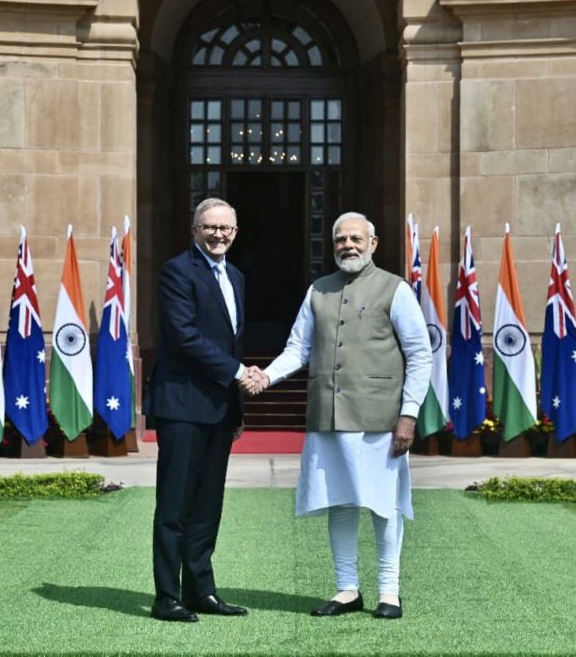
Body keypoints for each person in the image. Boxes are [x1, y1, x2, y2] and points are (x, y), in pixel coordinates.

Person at [246, 212, 432, 620]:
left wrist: (409, 416)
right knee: (339, 503)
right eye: (340, 240)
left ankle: (389, 591)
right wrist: (266, 377)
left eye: (355, 238)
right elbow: (298, 348)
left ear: (373, 243)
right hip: (328, 417)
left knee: (384, 506)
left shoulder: (395, 289)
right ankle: (347, 588)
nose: (348, 245)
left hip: (380, 419)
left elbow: (421, 355)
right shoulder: (318, 291)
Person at [143, 197, 260, 623]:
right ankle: (166, 597)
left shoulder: (237, 276)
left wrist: (237, 401)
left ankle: (200, 591)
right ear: (195, 229)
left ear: (235, 232)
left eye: (225, 228)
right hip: (182, 406)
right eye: (210, 227)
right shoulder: (177, 270)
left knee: (208, 505)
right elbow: (184, 336)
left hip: (220, 408)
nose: (218, 235)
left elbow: (231, 339)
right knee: (174, 506)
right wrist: (237, 373)